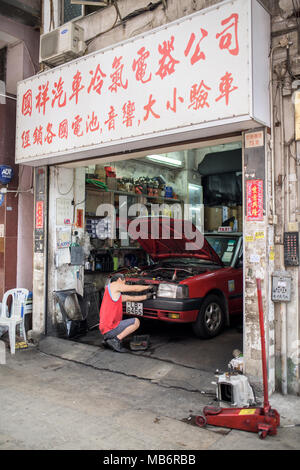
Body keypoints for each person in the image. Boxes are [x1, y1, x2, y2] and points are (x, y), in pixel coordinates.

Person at [99, 273, 153, 352]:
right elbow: (134, 289)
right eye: (124, 281)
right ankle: (115, 340)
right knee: (136, 322)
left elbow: (131, 298)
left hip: (106, 330)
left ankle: (108, 339)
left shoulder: (113, 293)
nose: (125, 283)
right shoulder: (114, 285)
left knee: (125, 324)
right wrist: (148, 287)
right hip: (110, 328)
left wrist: (147, 296)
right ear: (119, 279)